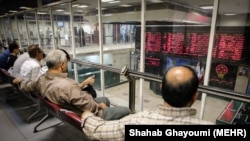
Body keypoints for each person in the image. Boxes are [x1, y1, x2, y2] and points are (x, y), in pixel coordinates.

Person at [80, 65, 214, 141]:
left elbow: (98, 130)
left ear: (161, 88)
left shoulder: (138, 121)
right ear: (195, 96)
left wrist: (87, 116)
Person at [13, 49, 130, 120]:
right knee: (126, 111)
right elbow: (90, 107)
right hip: (86, 115)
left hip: (69, 109)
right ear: (62, 65)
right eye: (66, 63)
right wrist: (100, 106)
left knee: (104, 98)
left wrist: (20, 81)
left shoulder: (41, 79)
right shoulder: (67, 85)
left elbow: (27, 85)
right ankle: (104, 127)